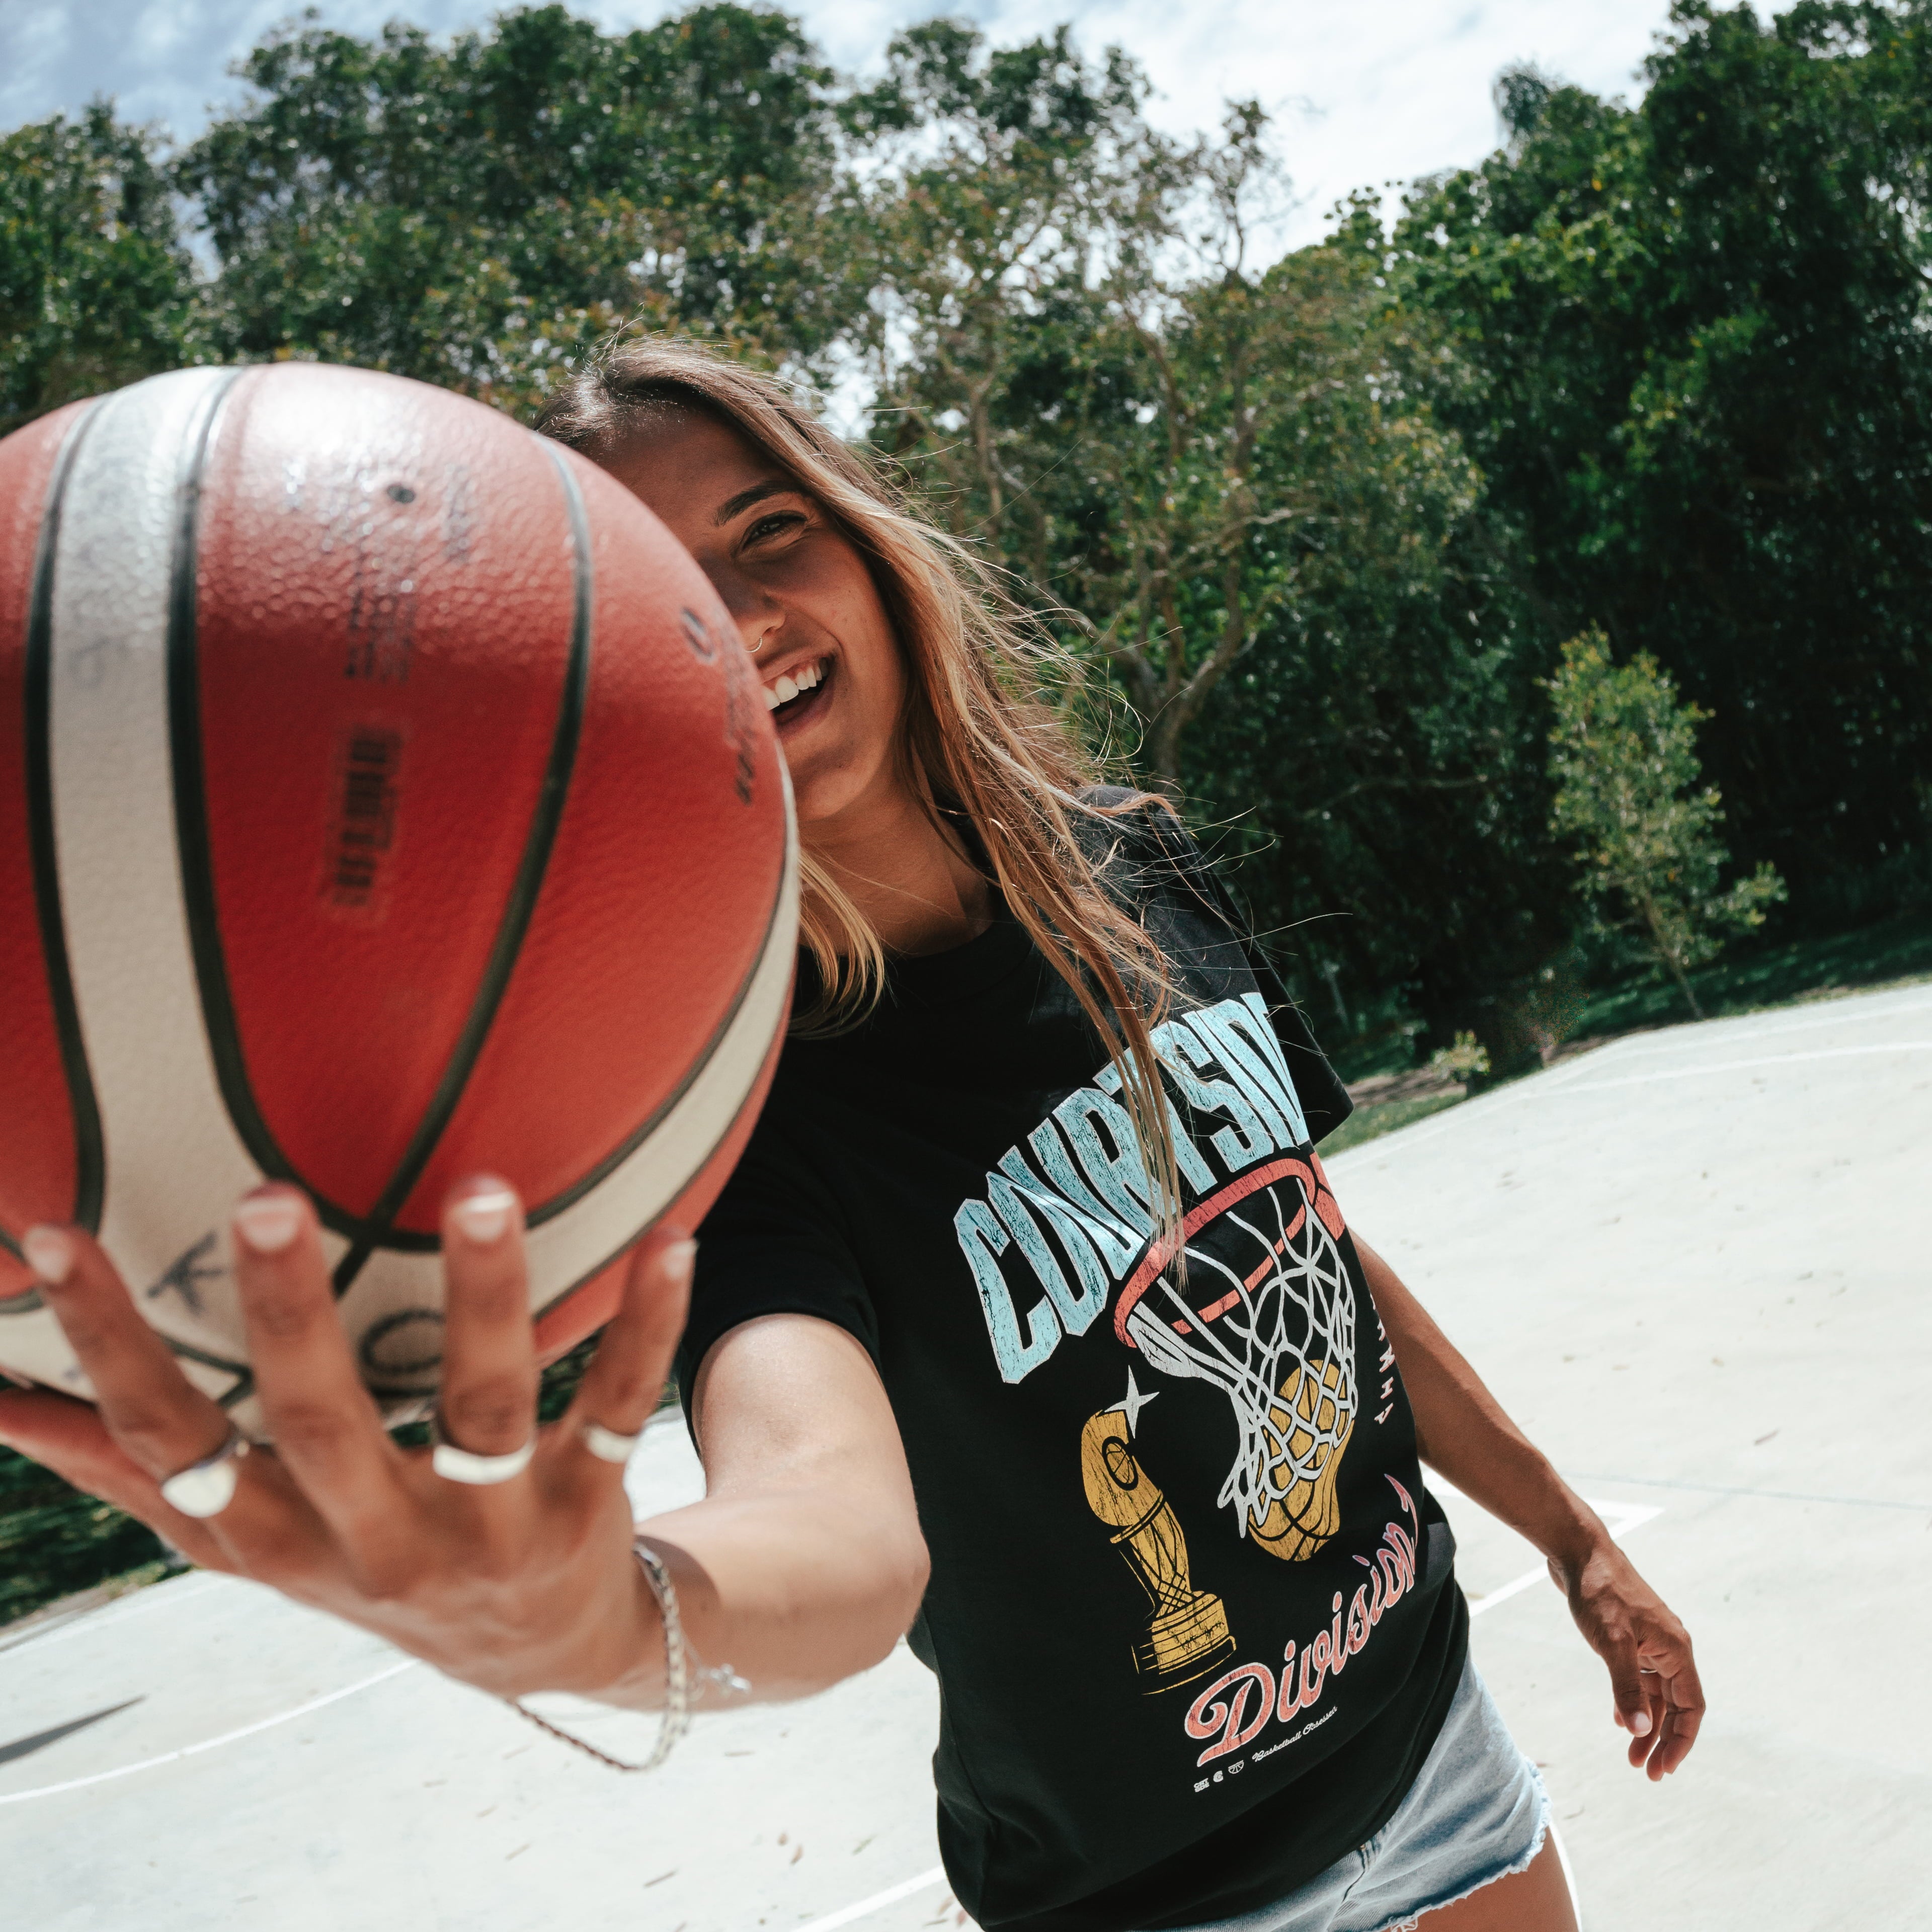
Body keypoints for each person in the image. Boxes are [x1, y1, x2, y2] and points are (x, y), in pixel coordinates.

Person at [0, 338, 1701, 1932]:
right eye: (668, 590)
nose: (738, 617)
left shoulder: (1136, 872)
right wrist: (618, 1616)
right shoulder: (738, 1117)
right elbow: (826, 1511)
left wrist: (1574, 1536)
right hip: (1151, 1894)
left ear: (873, 557)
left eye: (770, 533)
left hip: (1434, 1748)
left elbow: (1305, 1246)